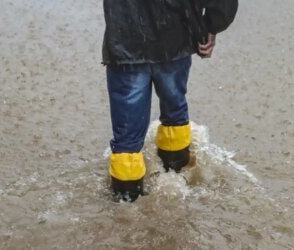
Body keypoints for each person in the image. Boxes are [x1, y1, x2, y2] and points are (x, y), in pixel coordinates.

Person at [102, 0, 238, 202]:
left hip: (125, 42)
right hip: (175, 39)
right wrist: (210, 27)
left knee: (127, 141)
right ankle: (177, 177)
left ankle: (125, 205)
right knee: (175, 114)